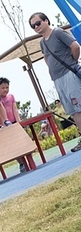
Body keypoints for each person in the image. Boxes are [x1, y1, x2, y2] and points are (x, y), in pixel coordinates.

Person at [30, 11, 81, 152]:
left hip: (69, 74)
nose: (36, 27)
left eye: (38, 23)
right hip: (57, 79)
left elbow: (75, 46)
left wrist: (72, 62)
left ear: (46, 20)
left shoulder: (58, 33)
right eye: (33, 26)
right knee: (73, 110)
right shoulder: (42, 42)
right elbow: (46, 58)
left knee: (78, 107)